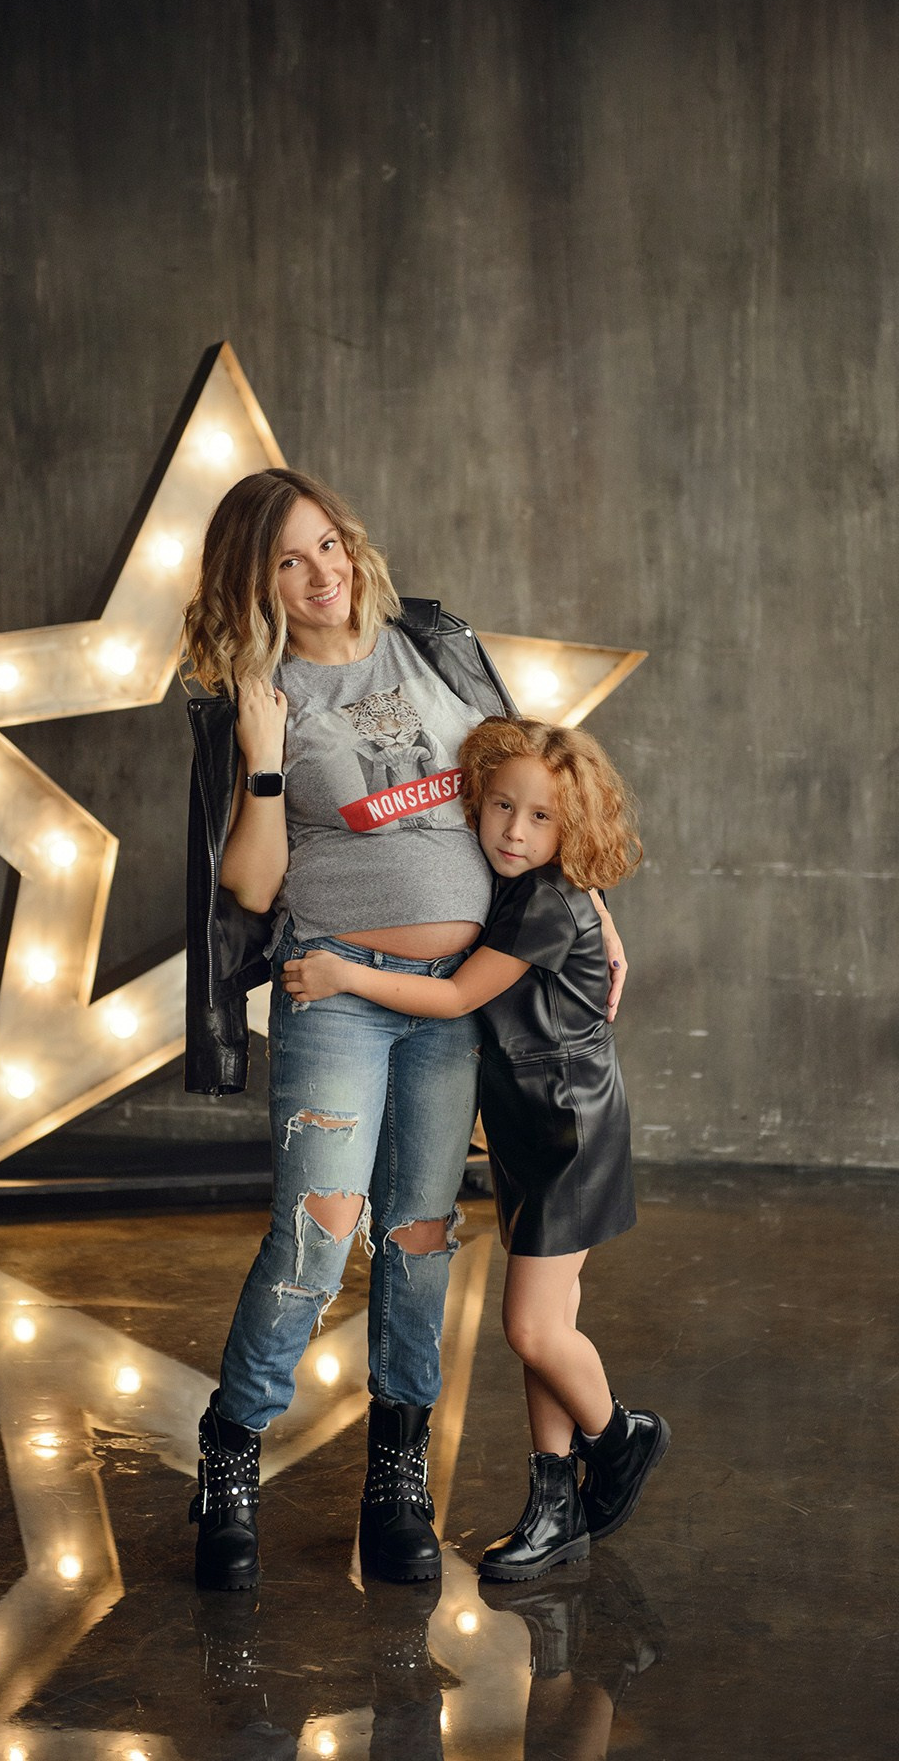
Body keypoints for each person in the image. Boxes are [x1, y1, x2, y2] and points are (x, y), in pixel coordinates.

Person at [182, 469, 629, 1591]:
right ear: (254, 582)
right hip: (336, 991)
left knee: (420, 1238)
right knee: (317, 1233)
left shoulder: (433, 645)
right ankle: (230, 1457)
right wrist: (265, 761)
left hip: (451, 1000)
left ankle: (397, 1477)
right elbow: (248, 885)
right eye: (288, 559)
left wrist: (593, 911)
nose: (320, 573)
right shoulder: (256, 694)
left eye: (327, 545)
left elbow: (540, 785)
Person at [283, 715, 669, 1580]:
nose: (513, 831)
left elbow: (457, 998)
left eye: (540, 818)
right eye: (501, 807)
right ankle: (554, 1507)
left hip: (566, 1131)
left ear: (571, 828)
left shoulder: (544, 903)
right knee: (551, 1326)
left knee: (529, 1328)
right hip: (530, 1127)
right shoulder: (516, 883)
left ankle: (620, 1437)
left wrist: (342, 972)